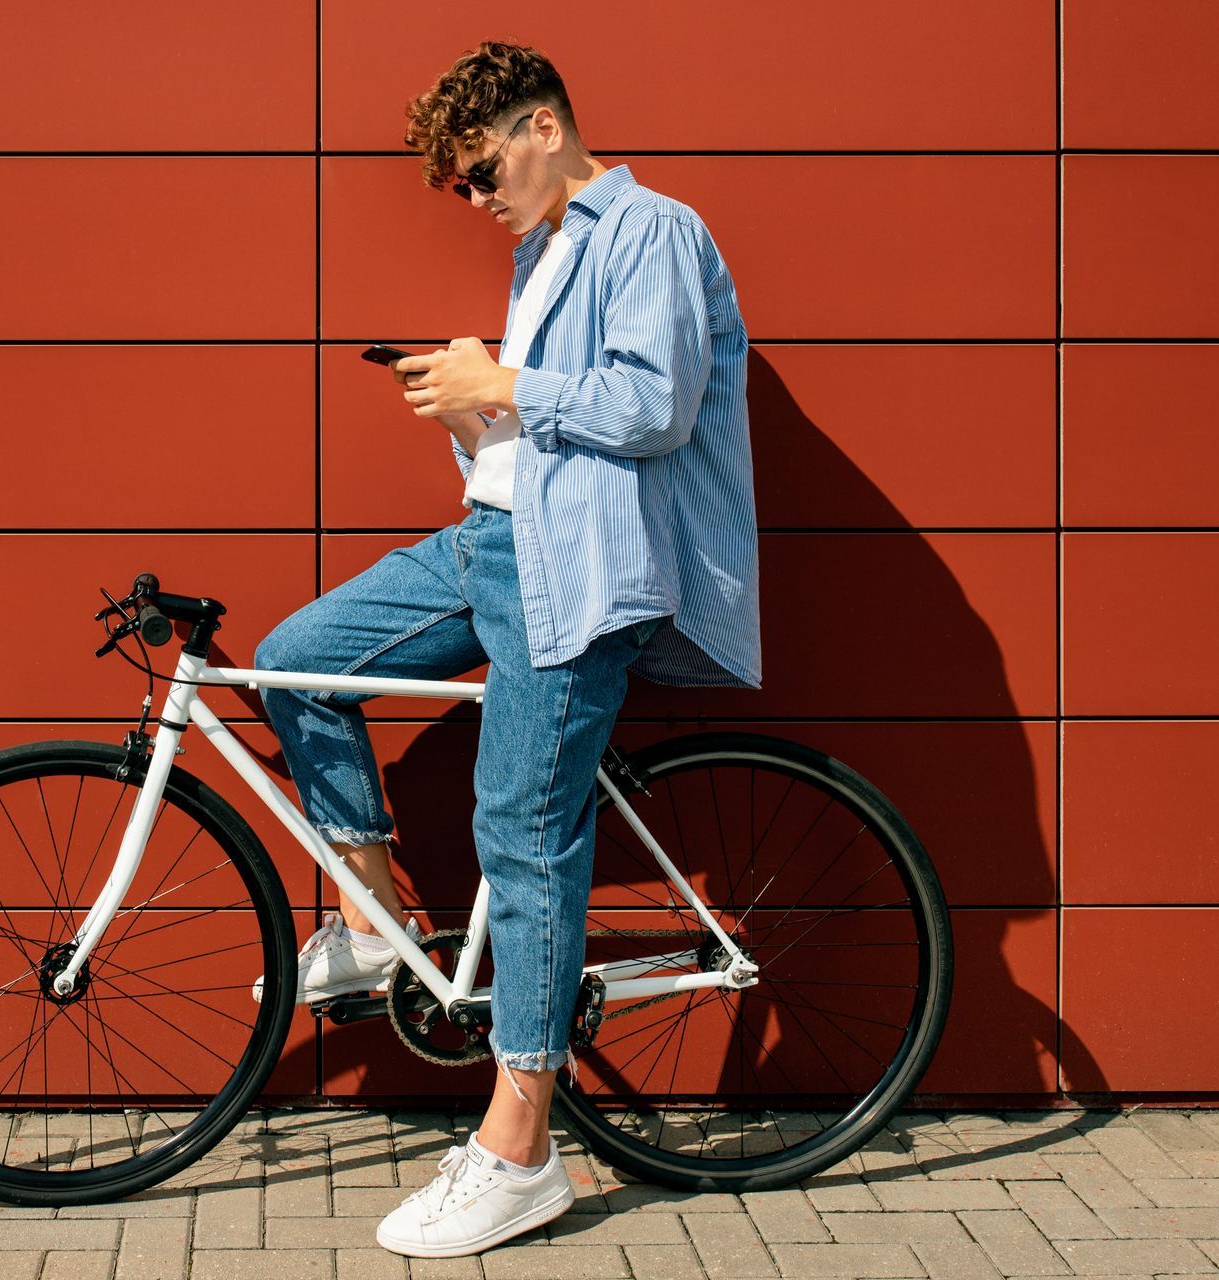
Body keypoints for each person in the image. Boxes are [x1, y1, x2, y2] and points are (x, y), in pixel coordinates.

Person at [250, 40, 761, 1257]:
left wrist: (509, 379)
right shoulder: (545, 249)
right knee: (294, 661)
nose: (477, 201)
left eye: (482, 171)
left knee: (521, 838)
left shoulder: (656, 230)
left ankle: (520, 1152)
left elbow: (655, 406)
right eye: (462, 187)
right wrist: (476, 406)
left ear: (543, 125)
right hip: (491, 535)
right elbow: (548, 418)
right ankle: (372, 918)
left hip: (576, 570)